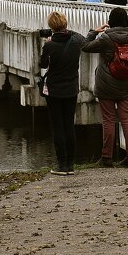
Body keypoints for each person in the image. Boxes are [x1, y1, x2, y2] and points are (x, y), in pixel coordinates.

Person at [82, 7, 128, 168]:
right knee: (127, 118)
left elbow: (85, 46)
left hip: (106, 85)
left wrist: (94, 31)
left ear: (110, 22)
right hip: (127, 84)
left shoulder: (106, 38)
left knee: (108, 120)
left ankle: (107, 157)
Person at [39, 10, 85, 175]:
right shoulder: (75, 42)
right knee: (69, 126)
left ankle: (62, 165)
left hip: (54, 90)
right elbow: (83, 37)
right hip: (71, 88)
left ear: (51, 27)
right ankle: (71, 165)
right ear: (65, 25)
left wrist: (49, 40)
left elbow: (43, 65)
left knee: (58, 127)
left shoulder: (50, 45)